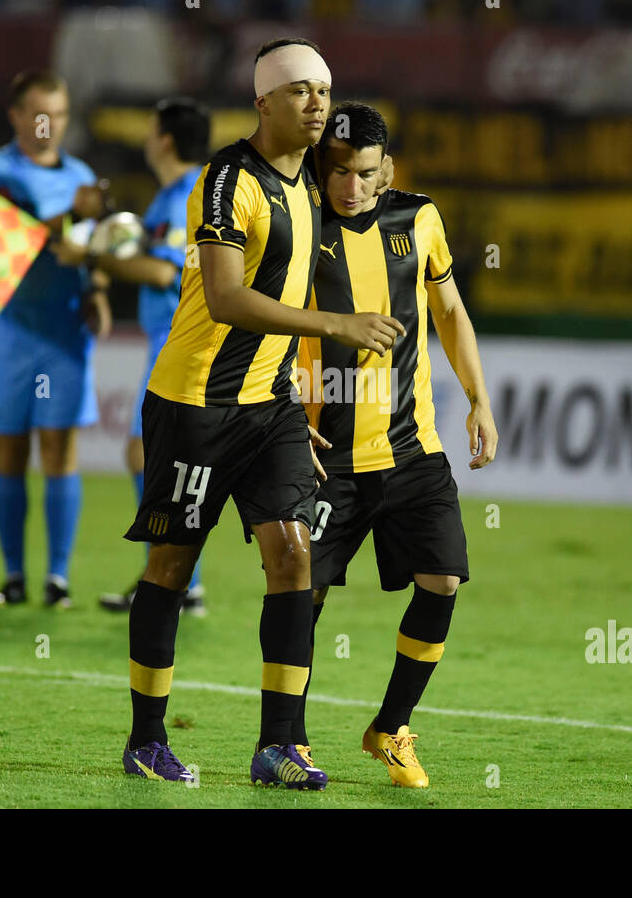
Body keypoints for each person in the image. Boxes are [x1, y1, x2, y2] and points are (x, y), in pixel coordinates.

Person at [119, 39, 403, 789]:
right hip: (193, 406)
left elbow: (369, 196)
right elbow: (226, 298)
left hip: (269, 409)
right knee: (171, 565)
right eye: (301, 89)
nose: (318, 102)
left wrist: (292, 403)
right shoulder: (224, 179)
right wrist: (338, 327)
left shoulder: (313, 186)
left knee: (294, 557)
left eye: (326, 89)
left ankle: (279, 746)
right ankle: (148, 739)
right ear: (264, 102)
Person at [296, 101, 499, 787]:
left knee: (442, 580)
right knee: (303, 592)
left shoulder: (420, 218)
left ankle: (390, 726)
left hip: (414, 448)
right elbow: (261, 326)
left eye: (365, 173)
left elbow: (448, 310)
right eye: (340, 172)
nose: (351, 186)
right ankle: (287, 740)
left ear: (388, 171)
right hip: (328, 454)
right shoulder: (299, 224)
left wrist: (478, 396)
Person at [53, 98, 212, 618]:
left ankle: (174, 581)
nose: (146, 138)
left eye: (151, 129)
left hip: (181, 344)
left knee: (154, 459)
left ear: (164, 138)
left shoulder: (190, 195)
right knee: (154, 460)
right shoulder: (175, 195)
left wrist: (92, 255)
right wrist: (103, 258)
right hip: (167, 342)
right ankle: (175, 582)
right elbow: (144, 251)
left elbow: (167, 273)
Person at [0, 70, 108, 610]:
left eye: (61, 114)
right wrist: (72, 215)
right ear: (17, 115)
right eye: (39, 113)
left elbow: (92, 248)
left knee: (58, 448)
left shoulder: (81, 175)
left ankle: (57, 579)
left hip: (64, 329)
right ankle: (12, 576)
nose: (50, 125)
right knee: (8, 450)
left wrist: (96, 288)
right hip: (6, 327)